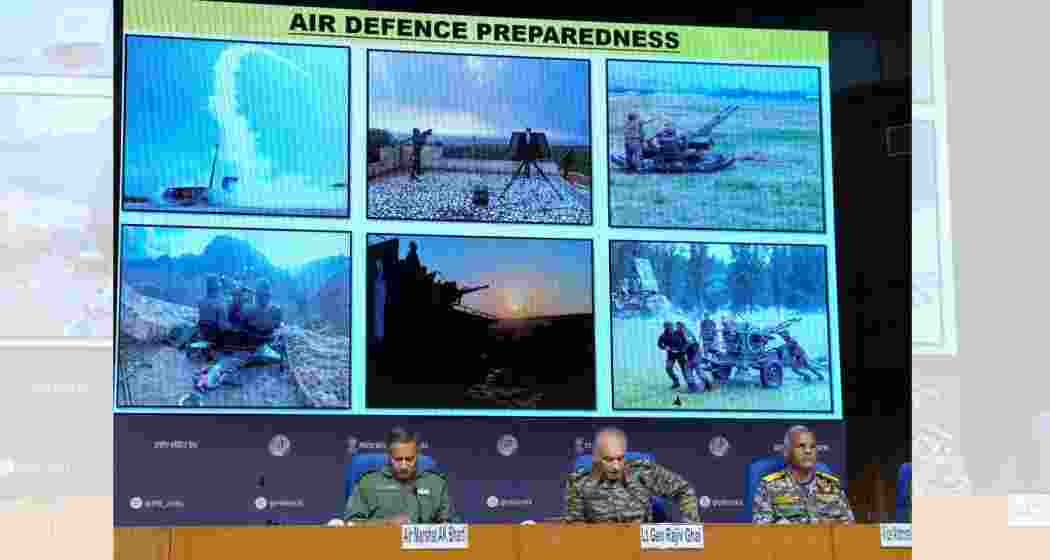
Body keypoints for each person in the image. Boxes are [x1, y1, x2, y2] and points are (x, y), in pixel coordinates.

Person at [564, 427, 700, 523]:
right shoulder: (579, 481)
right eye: (608, 460)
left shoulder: (643, 471)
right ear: (597, 458)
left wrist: (690, 524)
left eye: (620, 458)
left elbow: (684, 490)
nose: (616, 466)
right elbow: (576, 529)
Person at [343, 427, 454, 525]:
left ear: (417, 455)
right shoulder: (367, 483)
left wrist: (446, 526)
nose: (404, 466)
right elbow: (352, 525)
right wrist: (387, 524)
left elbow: (452, 525)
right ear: (389, 456)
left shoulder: (436, 483)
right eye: (398, 459)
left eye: (409, 459)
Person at [753, 426, 855, 524]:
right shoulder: (768, 487)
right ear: (786, 452)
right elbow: (762, 531)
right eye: (801, 446)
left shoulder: (833, 486)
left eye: (812, 447)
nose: (808, 451)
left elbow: (849, 528)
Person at [657, 322, 687, 389]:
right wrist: (665, 347)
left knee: (684, 369)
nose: (670, 328)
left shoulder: (679, 333)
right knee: (668, 368)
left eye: (671, 326)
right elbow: (659, 344)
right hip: (671, 355)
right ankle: (676, 382)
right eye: (667, 327)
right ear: (665, 327)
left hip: (680, 354)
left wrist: (682, 349)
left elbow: (686, 342)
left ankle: (689, 383)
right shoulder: (663, 335)